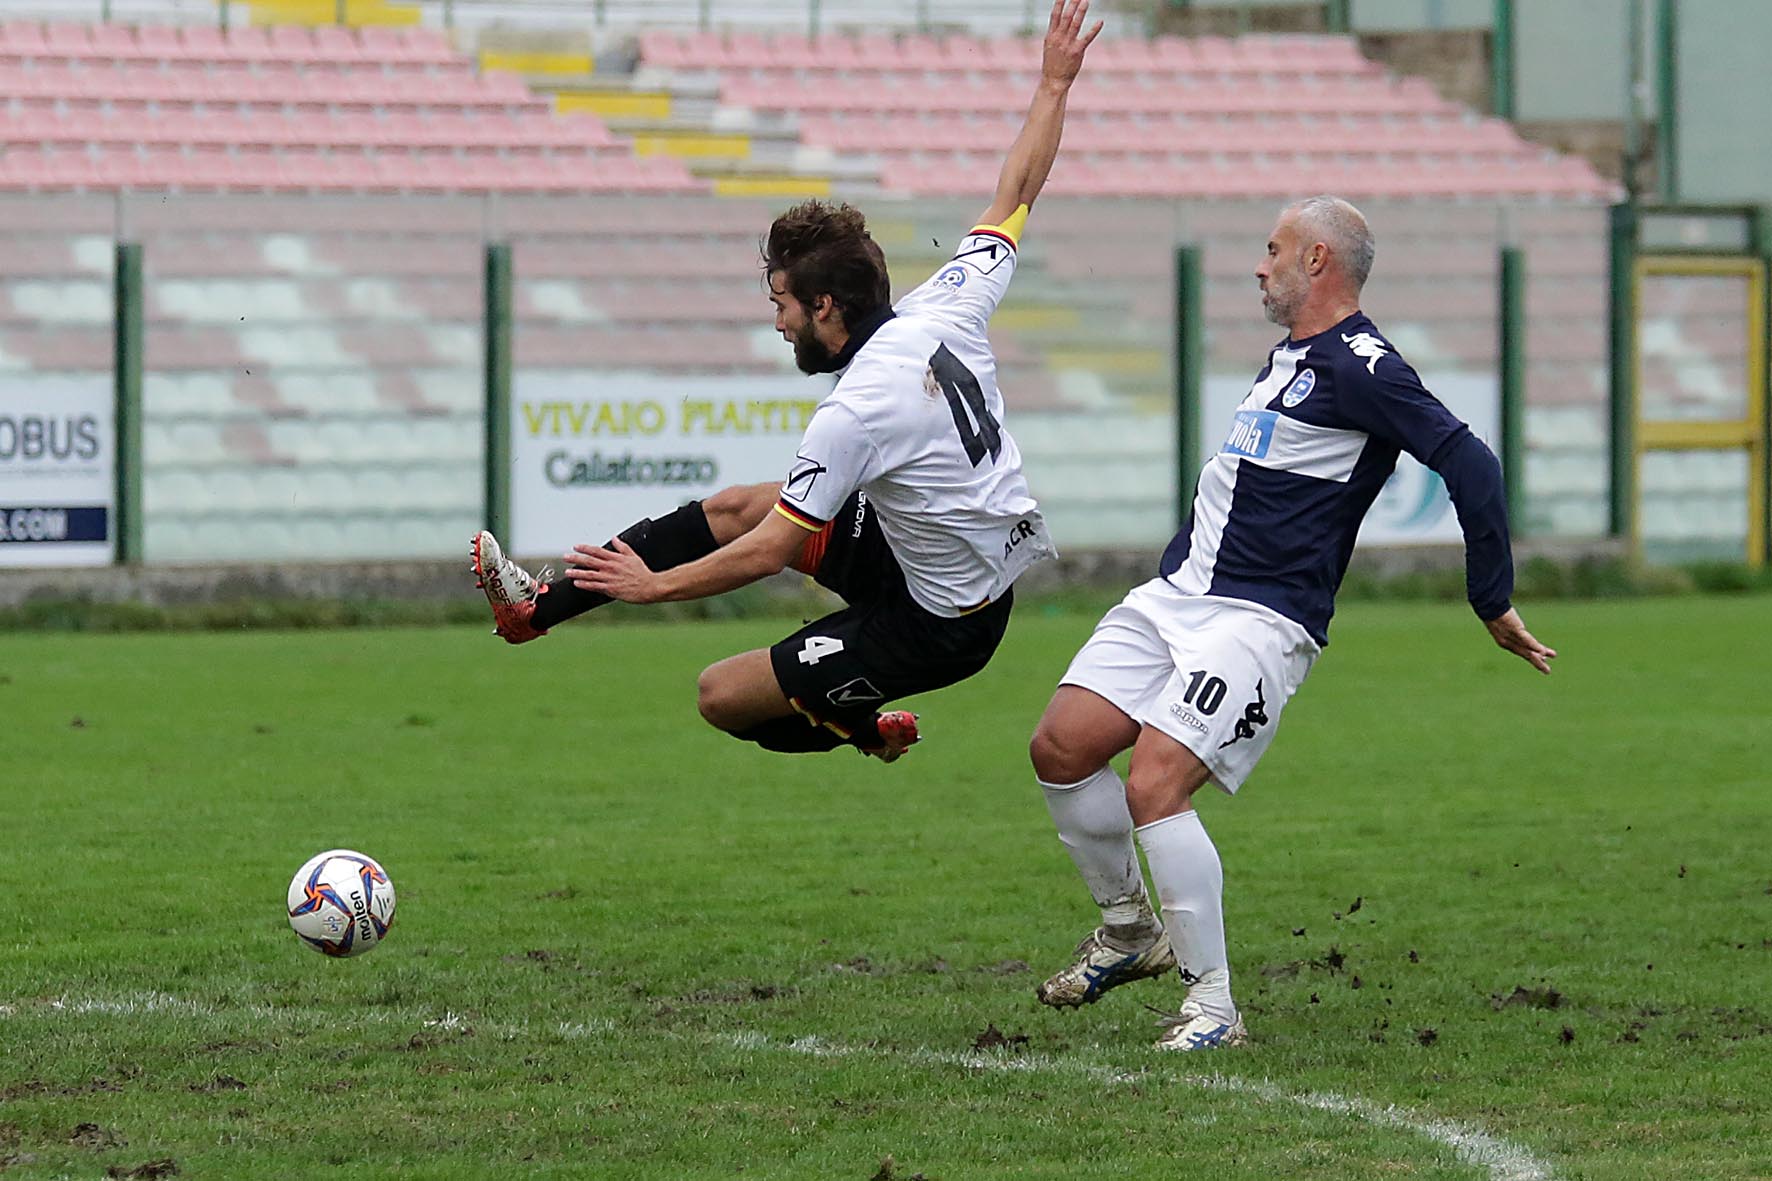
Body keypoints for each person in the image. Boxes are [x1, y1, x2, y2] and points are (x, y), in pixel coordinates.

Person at [471, 0, 1103, 763]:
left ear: (826, 307)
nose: (777, 323)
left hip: (942, 621)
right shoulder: (947, 302)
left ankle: (860, 724)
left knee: (722, 695)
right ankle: (532, 613)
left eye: (782, 304)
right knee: (739, 503)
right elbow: (1016, 193)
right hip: (919, 556)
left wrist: (655, 588)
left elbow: (771, 552)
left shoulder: (859, 409)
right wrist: (1053, 85)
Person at [1028, 195, 1558, 1051]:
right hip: (1177, 596)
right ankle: (1130, 931)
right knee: (1060, 746)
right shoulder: (1292, 356)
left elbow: (1470, 459)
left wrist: (1489, 596)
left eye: (1273, 249)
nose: (1259, 264)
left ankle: (1214, 1008)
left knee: (1154, 783)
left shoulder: (1363, 365)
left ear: (1318, 260)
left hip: (1259, 618)